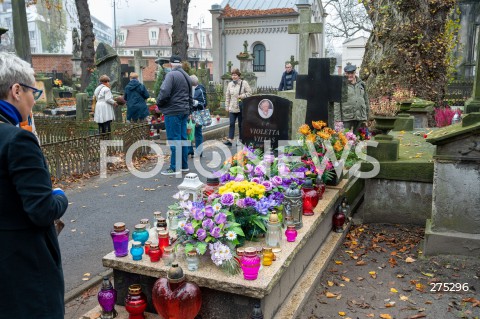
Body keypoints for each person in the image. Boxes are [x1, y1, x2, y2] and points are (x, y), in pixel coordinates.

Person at [0, 52, 69, 318]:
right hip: (24, 265)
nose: (34, 101)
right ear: (16, 90)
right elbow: (42, 209)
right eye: (33, 92)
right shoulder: (17, 140)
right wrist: (60, 196)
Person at [156, 55, 192, 175]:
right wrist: (189, 109)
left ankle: (174, 167)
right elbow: (190, 95)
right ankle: (184, 165)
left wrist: (159, 103)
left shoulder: (171, 75)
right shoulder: (186, 76)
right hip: (184, 110)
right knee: (182, 138)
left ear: (171, 64)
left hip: (173, 111)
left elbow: (164, 92)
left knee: (174, 139)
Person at [334, 63, 370, 133]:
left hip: (360, 117)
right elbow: (337, 103)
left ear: (355, 73)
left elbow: (366, 101)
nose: (350, 75)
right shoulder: (341, 85)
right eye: (348, 73)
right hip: (346, 117)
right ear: (345, 73)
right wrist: (337, 119)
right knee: (345, 139)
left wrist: (367, 117)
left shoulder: (362, 84)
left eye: (352, 73)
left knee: (360, 139)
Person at [224, 68, 252, 146]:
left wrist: (242, 96)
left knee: (240, 124)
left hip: (241, 107)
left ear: (239, 76)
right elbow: (227, 96)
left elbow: (249, 93)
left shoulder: (244, 83)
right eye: (233, 75)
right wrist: (227, 106)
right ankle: (230, 139)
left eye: (235, 75)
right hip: (232, 107)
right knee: (231, 123)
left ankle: (240, 139)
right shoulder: (230, 84)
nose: (234, 76)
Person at [190, 74, 207, 157]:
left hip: (197, 113)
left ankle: (199, 151)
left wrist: (196, 103)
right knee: (188, 132)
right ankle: (189, 151)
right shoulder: (187, 89)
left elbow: (204, 103)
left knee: (198, 133)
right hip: (188, 114)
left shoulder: (200, 89)